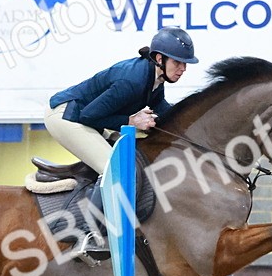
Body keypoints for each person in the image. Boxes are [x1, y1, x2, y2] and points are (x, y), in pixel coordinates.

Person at [44, 26, 199, 261]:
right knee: (114, 168)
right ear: (159, 58)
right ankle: (85, 236)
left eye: (185, 64)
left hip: (88, 118)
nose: (183, 69)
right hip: (66, 116)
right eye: (178, 62)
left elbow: (163, 113)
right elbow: (89, 115)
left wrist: (189, 131)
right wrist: (130, 121)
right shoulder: (133, 80)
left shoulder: (154, 80)